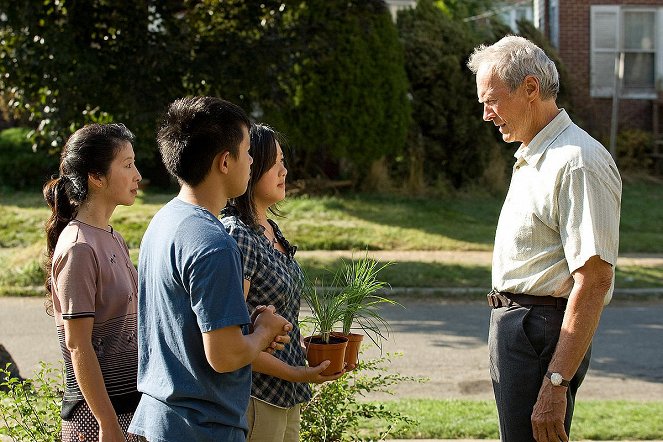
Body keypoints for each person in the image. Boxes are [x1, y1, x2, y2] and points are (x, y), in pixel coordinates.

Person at [467, 36, 621, 442]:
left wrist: (556, 382)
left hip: (540, 333)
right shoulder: (538, 154)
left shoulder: (576, 162)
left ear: (530, 89)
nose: (485, 114)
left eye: (492, 100)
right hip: (520, 328)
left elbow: (594, 279)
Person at [128, 97, 292, 442]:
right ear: (224, 162)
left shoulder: (164, 220)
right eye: (247, 151)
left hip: (161, 420)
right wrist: (263, 331)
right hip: (204, 428)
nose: (251, 160)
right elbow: (224, 355)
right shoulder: (213, 242)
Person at [221, 124, 343, 442]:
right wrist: (298, 373)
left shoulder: (271, 230)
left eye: (283, 161)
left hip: (287, 398)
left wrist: (305, 346)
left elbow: (275, 315)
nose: (284, 171)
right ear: (251, 166)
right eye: (274, 162)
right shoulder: (238, 235)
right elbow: (231, 339)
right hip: (257, 398)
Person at [43, 123, 143, 442]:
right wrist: (107, 423)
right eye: (127, 165)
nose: (137, 175)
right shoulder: (78, 248)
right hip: (97, 421)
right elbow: (78, 344)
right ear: (96, 177)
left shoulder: (113, 237)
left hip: (133, 410)